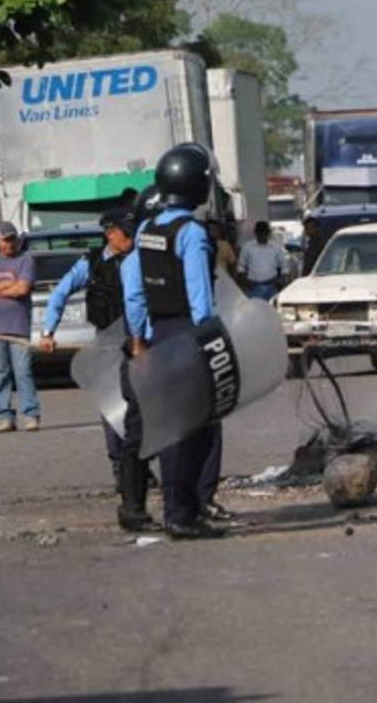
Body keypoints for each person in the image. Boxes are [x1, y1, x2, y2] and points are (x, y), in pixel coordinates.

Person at [121, 143, 231, 539]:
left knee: (171, 428)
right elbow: (200, 299)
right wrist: (211, 340)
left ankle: (177, 510)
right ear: (195, 185)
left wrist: (138, 340)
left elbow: (133, 293)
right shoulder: (192, 233)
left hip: (157, 334)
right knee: (197, 428)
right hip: (189, 334)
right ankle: (183, 514)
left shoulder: (146, 230)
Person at [38, 210, 155, 529]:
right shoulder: (90, 263)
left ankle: (140, 469)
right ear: (109, 233)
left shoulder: (139, 258)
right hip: (107, 339)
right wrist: (48, 332)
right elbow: (60, 293)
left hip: (137, 339)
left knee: (142, 406)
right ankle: (122, 470)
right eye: (124, 234)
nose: (129, 240)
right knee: (113, 404)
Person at [0, 222, 40, 432]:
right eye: (5, 239)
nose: (9, 244)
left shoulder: (26, 260)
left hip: (19, 325)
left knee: (23, 370)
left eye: (12, 239)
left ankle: (31, 414)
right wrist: (6, 286)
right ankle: (5, 416)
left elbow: (22, 289)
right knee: (0, 372)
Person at [238, 220, 289, 300]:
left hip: (271, 287)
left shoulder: (275, 247)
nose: (262, 235)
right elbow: (241, 267)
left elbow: (284, 267)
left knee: (271, 311)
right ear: (255, 233)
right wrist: (245, 281)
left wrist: (280, 282)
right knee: (255, 311)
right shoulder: (247, 247)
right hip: (253, 287)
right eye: (259, 233)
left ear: (268, 233)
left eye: (264, 233)